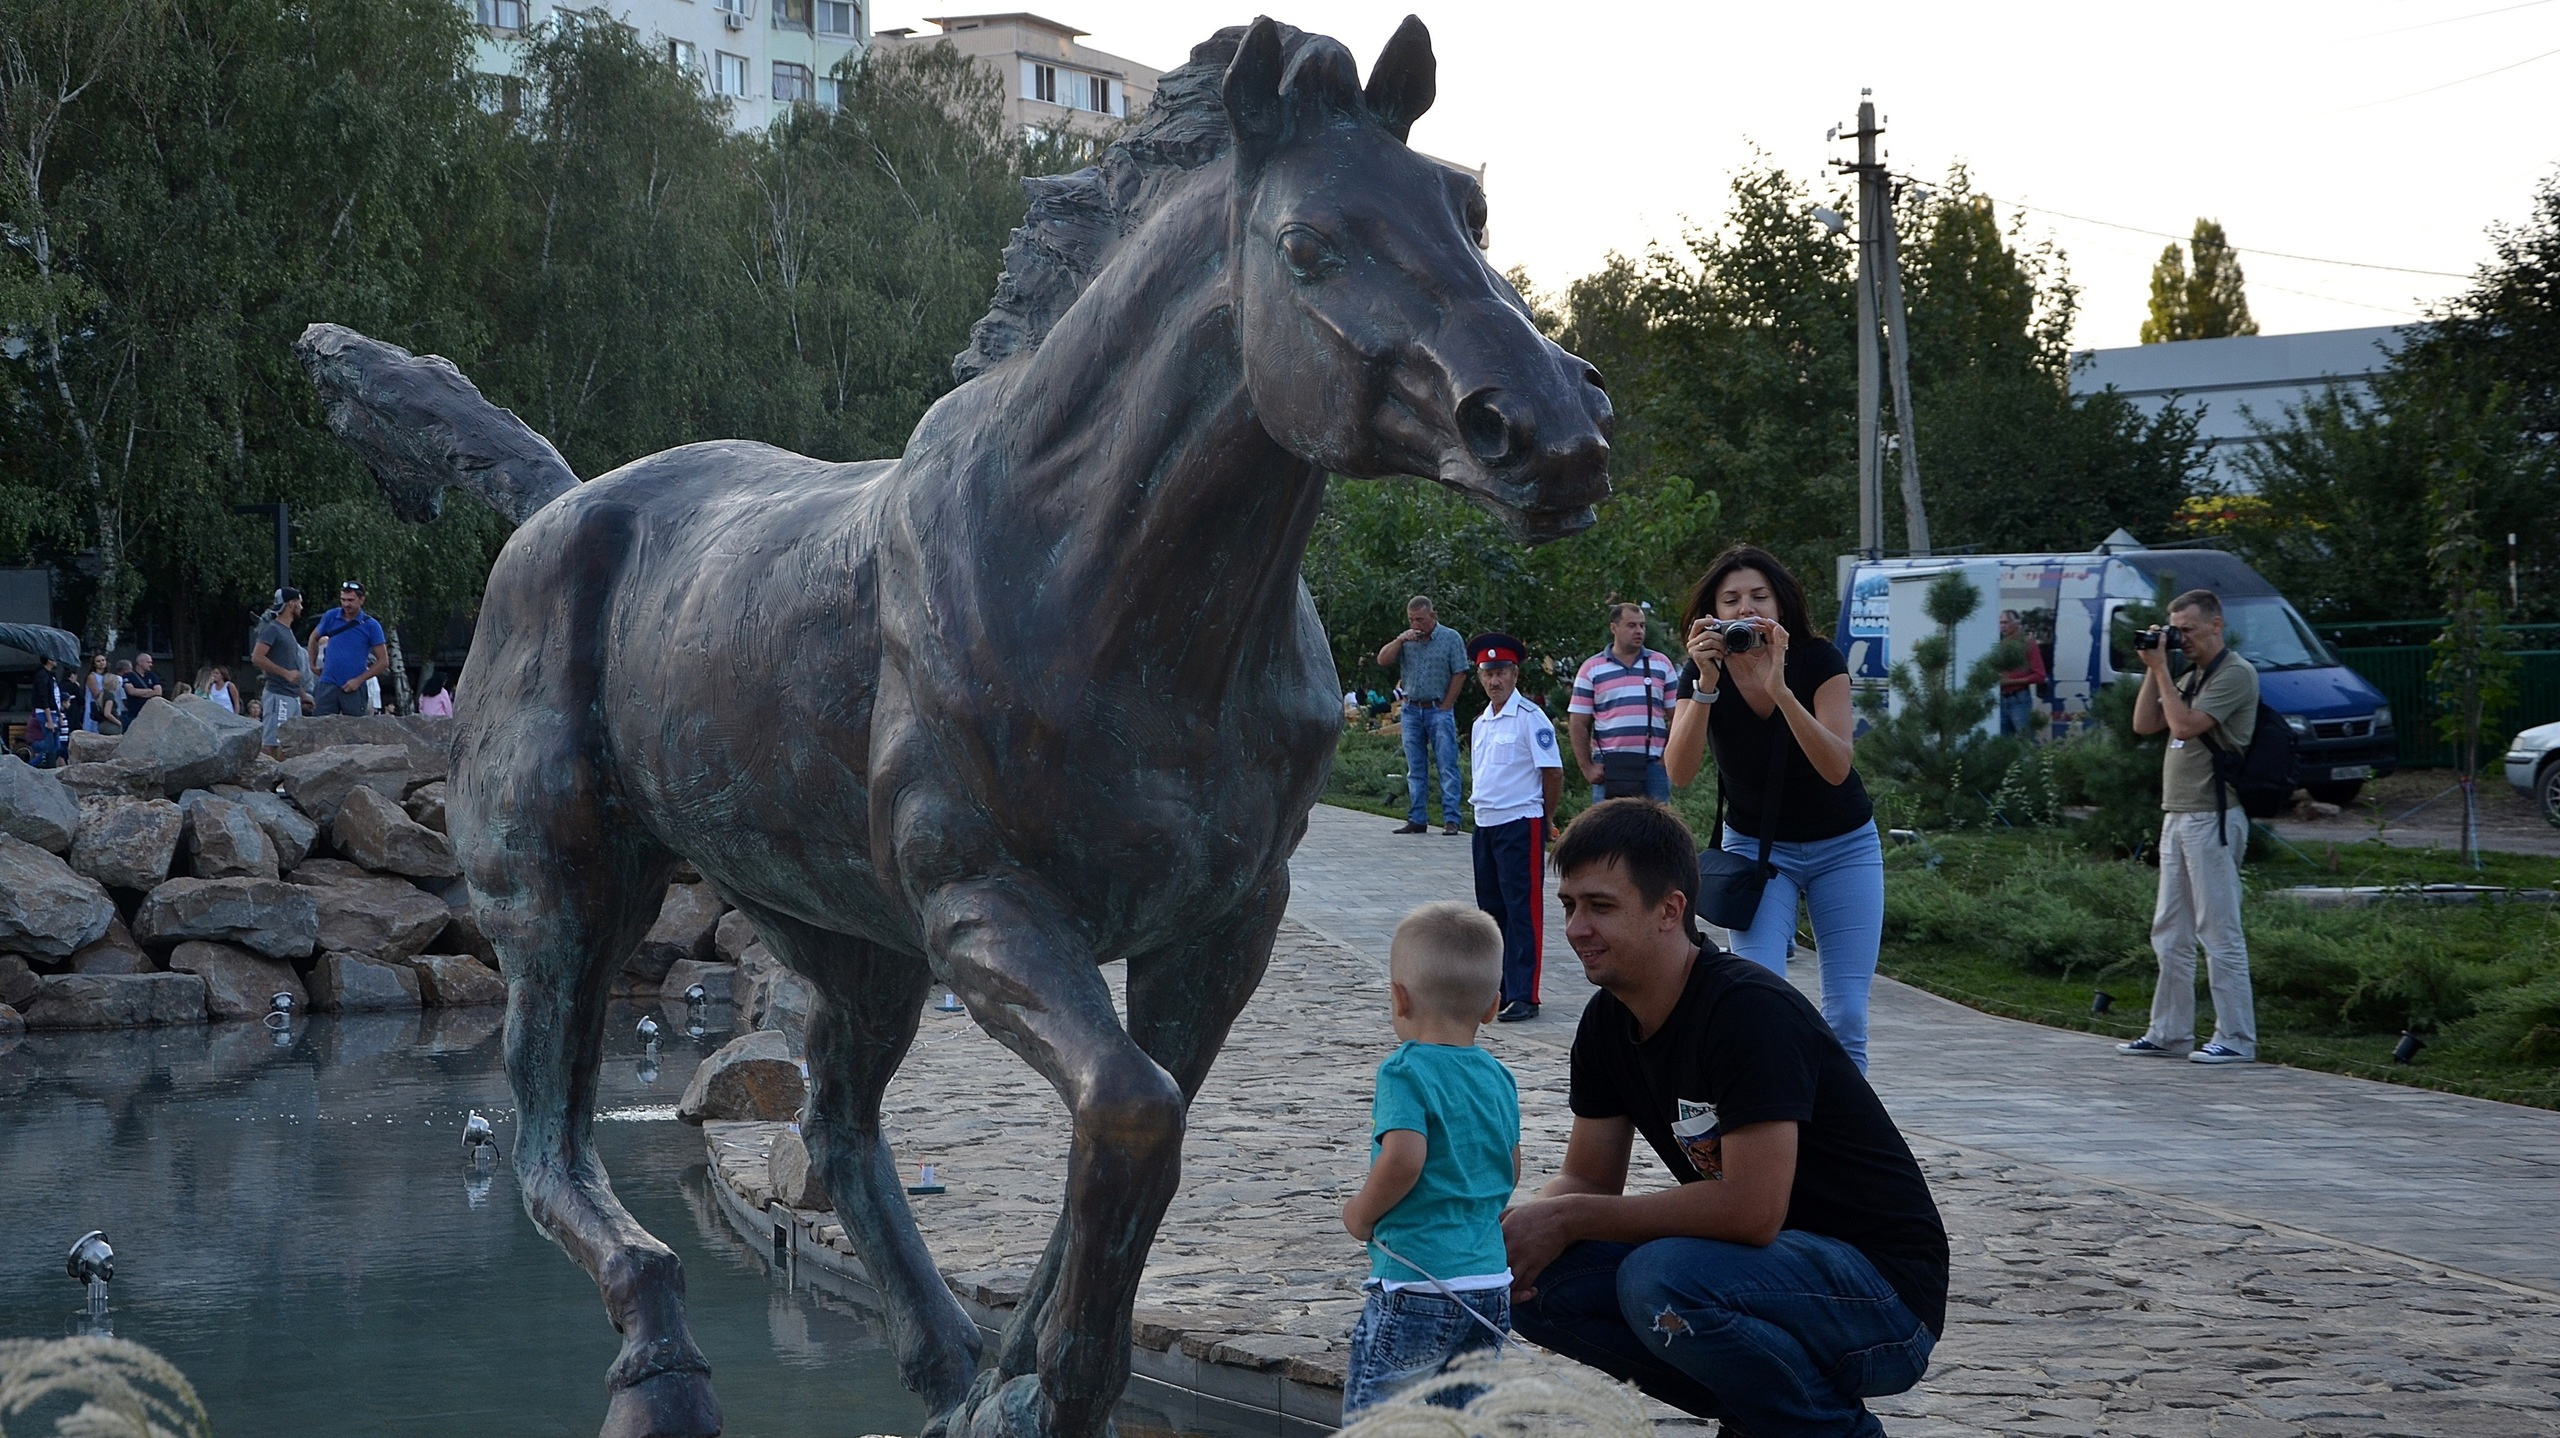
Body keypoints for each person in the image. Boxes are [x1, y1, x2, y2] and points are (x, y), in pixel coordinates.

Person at [1504, 800, 1947, 1438]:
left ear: (1670, 910)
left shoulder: (1747, 1011)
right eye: (1569, 904)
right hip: (1759, 1276)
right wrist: (1515, 1232)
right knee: (1537, 1283)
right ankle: (1760, 1411)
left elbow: (1751, 1209)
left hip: (1881, 1299)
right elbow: (1587, 1180)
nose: (1576, 927)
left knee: (1661, 1281)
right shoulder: (1609, 1020)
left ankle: (1825, 1428)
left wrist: (1568, 1217)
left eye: (1600, 906)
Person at [1663, 544, 1885, 1072]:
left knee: (1847, 1012)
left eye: (1758, 596)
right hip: (1758, 853)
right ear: (1711, 614)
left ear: (1780, 605)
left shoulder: (1819, 660)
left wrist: (1780, 688)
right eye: (1731, 599)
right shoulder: (1699, 675)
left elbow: (1837, 766)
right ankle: (1773, 1118)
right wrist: (1707, 686)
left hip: (1844, 845)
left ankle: (1847, 1136)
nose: (1746, 609)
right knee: (1758, 996)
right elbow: (1679, 773)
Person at [1340, 902, 1522, 1416]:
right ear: (1492, 1006)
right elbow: (1511, 1164)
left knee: (1381, 1423)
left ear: (1399, 998)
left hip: (1418, 1280)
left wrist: (1360, 1214)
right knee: (1462, 1421)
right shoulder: (1497, 1078)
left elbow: (1404, 1158)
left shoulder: (1405, 1071)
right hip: (1488, 1283)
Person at [2118, 589, 2260, 1066]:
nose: (2181, 639)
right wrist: (2151, 666)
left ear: (2216, 625)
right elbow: (2144, 724)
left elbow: (2183, 727)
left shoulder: (2235, 673)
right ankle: (2170, 1031)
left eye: (2189, 630)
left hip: (2213, 817)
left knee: (2217, 929)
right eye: (2175, 630)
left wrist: (2162, 670)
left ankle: (2237, 1037)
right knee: (2170, 930)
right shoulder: (2190, 674)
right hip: (2177, 814)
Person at [1465, 631, 1562, 1023]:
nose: (1495, 680)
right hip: (1486, 822)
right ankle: (1498, 987)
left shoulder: (1530, 718)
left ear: (1515, 673)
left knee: (1522, 909)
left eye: (1502, 671)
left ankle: (1525, 993)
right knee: (1491, 910)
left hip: (1520, 821)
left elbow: (1552, 771)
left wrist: (1547, 816)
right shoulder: (1481, 722)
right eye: (1488, 672)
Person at [1376, 596, 1469, 835]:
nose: (1416, 624)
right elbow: (1382, 660)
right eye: (1411, 619)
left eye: (1420, 619)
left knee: (1447, 765)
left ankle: (1451, 819)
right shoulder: (1407, 641)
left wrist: (1447, 704)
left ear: (1432, 616)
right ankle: (1417, 818)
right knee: (1415, 767)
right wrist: (1399, 639)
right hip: (1411, 709)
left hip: (1438, 708)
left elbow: (1460, 672)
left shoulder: (1450, 638)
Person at [1568, 603, 1678, 804]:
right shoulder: (1592, 669)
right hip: (1610, 767)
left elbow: (1678, 717)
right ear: (1614, 628)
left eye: (1642, 626)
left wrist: (1666, 758)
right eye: (1631, 625)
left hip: (1653, 766)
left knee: (1657, 829)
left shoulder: (1661, 664)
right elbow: (1577, 723)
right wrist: (1587, 767)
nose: (1639, 631)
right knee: (1608, 829)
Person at [308, 579, 388, 718]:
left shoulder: (371, 626)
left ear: (361, 600)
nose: (346, 604)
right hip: (328, 683)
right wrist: (312, 664)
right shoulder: (331, 616)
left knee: (354, 730)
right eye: (343, 599)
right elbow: (313, 638)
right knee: (320, 726)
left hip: (353, 687)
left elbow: (383, 662)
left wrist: (359, 680)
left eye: (351, 600)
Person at [251, 587, 309, 755]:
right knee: (272, 744)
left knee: (289, 745)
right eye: (300, 603)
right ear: (291, 604)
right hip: (278, 695)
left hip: (292, 696)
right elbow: (257, 657)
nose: (302, 607)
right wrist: (285, 673)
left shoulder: (287, 631)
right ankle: (266, 777)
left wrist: (302, 694)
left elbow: (291, 664)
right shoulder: (273, 629)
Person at [1997, 610, 2047, 737]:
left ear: (2016, 623)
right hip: (2000, 699)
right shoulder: (1999, 644)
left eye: (2005, 622)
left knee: (2026, 741)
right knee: (2002, 743)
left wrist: (2010, 681)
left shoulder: (2027, 643)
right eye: (2000, 623)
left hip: (2019, 698)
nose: (2002, 626)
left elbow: (2040, 676)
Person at [119, 653, 162, 727]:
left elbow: (158, 692)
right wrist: (149, 691)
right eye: (148, 662)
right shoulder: (129, 676)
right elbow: (131, 691)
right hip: (134, 713)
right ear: (140, 662)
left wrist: (139, 693)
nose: (151, 664)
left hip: (150, 713)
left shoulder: (152, 675)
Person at [82, 654, 108, 733]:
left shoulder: (107, 675)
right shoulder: (92, 676)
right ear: (94, 664)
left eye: (103, 660)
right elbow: (96, 694)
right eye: (98, 661)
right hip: (94, 707)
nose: (101, 663)